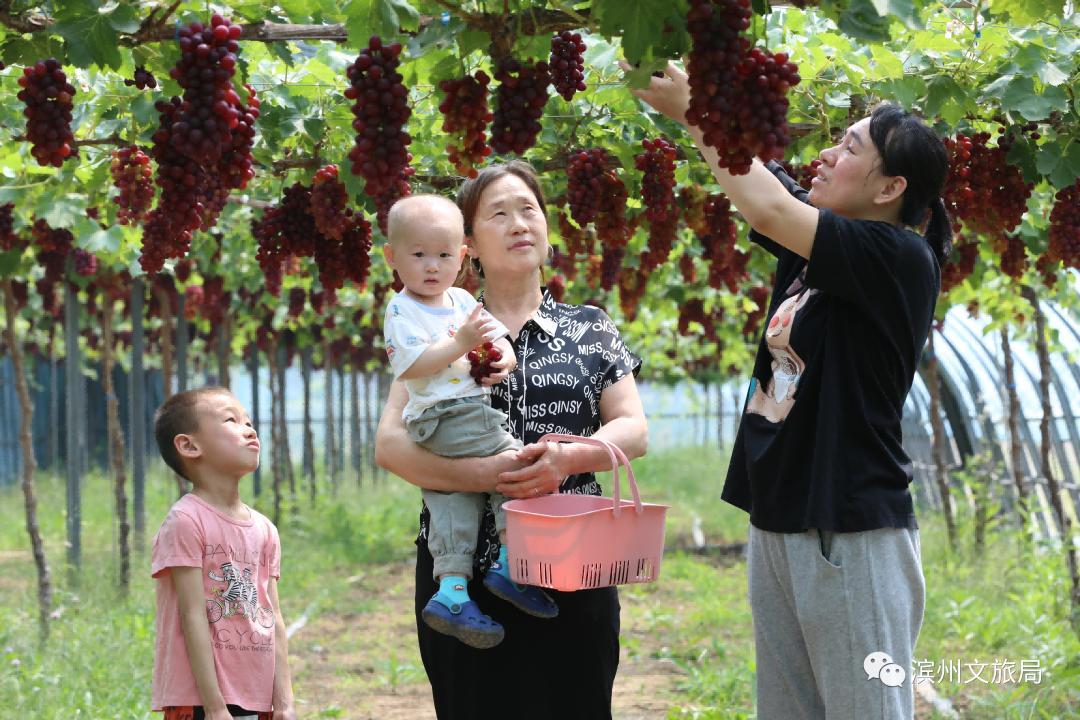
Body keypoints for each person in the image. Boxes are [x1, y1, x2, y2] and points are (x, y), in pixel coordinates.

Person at [629, 62, 951, 719]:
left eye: (850, 147)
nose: (826, 153)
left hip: (848, 526)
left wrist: (695, 111)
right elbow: (768, 188)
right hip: (780, 518)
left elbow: (769, 206)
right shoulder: (816, 252)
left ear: (891, 187)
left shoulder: (897, 258)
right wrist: (704, 92)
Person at [374, 161, 648, 719]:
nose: (520, 223)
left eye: (529, 210)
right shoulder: (437, 325)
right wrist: (481, 475)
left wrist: (566, 459)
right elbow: (391, 446)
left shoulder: (589, 325)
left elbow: (633, 429)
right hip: (463, 576)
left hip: (572, 562)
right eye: (499, 213)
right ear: (469, 244)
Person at [381, 194, 559, 650]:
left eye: (443, 255)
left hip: (452, 418)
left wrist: (503, 359)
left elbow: (497, 339)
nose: (432, 266)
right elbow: (411, 366)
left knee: (453, 500)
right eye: (418, 255)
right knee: (515, 464)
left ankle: (452, 591)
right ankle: (512, 563)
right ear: (391, 257)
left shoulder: (461, 300)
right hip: (447, 414)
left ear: (462, 256)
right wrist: (461, 344)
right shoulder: (401, 310)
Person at [150, 387, 296, 720]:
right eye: (231, 420)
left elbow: (272, 616)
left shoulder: (265, 529)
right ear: (189, 446)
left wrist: (284, 701)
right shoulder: (186, 521)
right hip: (202, 701)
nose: (249, 430)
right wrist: (214, 707)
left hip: (256, 695)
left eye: (249, 422)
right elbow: (192, 615)